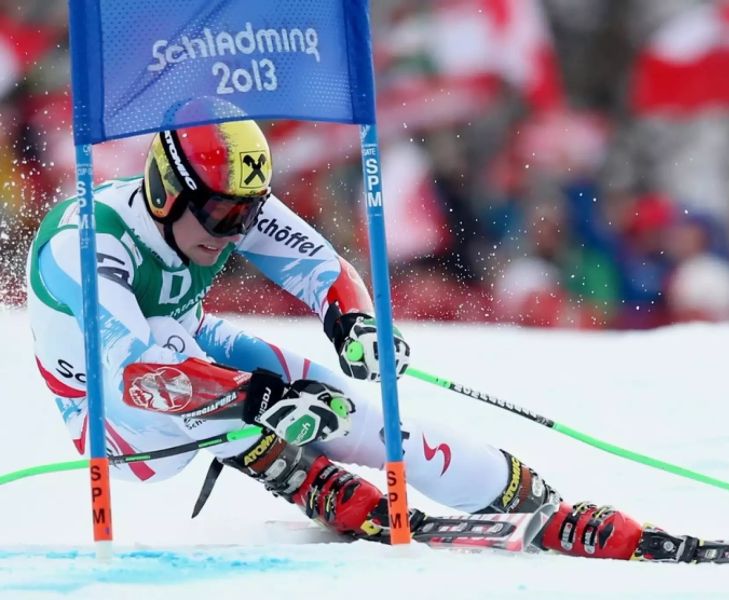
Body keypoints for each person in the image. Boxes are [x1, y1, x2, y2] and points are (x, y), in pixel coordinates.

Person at [26, 115, 682, 561]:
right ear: (167, 189)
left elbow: (319, 268)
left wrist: (354, 323)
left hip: (191, 358)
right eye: (224, 214)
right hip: (116, 422)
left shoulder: (223, 198)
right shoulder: (87, 248)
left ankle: (533, 503)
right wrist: (258, 402)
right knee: (196, 357)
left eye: (247, 214)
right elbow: (141, 379)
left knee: (349, 410)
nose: (233, 231)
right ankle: (290, 465)